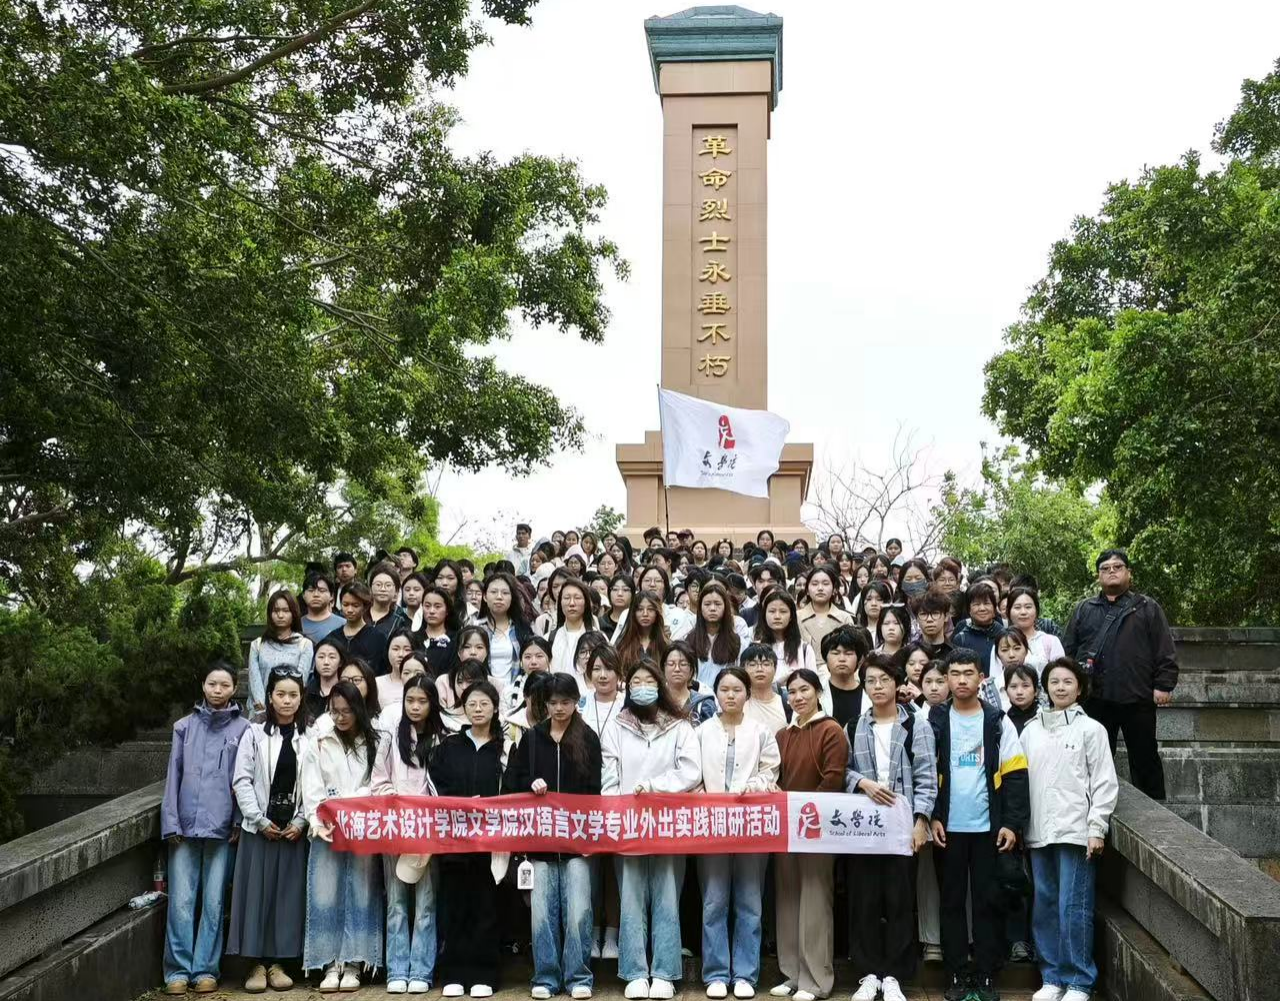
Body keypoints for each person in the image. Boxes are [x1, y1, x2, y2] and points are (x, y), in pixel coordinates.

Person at [929, 649, 1030, 1001]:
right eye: (954, 674)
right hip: (947, 829)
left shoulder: (997, 721)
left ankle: (987, 973)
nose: (961, 680)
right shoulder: (936, 720)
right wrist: (933, 816)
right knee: (951, 903)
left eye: (968, 673)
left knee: (989, 902)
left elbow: (1016, 774)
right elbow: (926, 772)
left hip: (990, 828)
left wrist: (1011, 824)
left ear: (981, 678)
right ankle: (957, 974)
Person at [601, 661, 702, 1000]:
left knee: (667, 897)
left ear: (659, 685)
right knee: (630, 899)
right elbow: (609, 775)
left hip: (668, 825)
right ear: (628, 688)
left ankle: (664, 973)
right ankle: (634, 972)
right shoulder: (616, 726)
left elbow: (691, 771)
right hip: (628, 826)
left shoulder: (680, 726)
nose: (642, 686)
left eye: (648, 680)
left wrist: (656, 787)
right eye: (636, 682)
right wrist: (616, 812)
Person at [1023, 659, 1119, 1001]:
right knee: (1045, 905)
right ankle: (1052, 977)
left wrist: (1097, 827)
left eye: (1067, 681)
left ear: (1080, 688)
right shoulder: (1030, 730)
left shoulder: (1092, 730)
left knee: (1073, 906)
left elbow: (1105, 782)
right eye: (1054, 681)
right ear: (1045, 688)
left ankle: (1079, 980)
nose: (1060, 687)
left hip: (1076, 830)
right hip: (1038, 831)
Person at [504, 673, 604, 1001]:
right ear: (544, 704)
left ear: (576, 702)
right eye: (553, 702)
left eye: (566, 702)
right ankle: (545, 976)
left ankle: (579, 976)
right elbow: (512, 782)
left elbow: (595, 791)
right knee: (542, 914)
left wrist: (590, 837)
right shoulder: (532, 739)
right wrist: (530, 784)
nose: (559, 708)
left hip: (577, 841)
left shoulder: (588, 738)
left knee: (579, 912)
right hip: (540, 841)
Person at [844, 654, 936, 1001]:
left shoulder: (916, 725)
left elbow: (927, 776)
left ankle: (895, 975)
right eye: (870, 681)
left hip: (902, 826)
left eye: (884, 680)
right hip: (864, 827)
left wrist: (921, 821)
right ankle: (868, 974)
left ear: (897, 683)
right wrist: (862, 783)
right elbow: (842, 770)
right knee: (864, 899)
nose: (878, 686)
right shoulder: (854, 726)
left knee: (899, 900)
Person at [160, 661, 250, 996]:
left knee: (213, 902)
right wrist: (170, 821)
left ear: (234, 688)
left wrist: (238, 819)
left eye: (224, 685)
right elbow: (173, 776)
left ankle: (206, 969)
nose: (217, 690)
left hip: (222, 826)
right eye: (212, 684)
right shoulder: (184, 727)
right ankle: (177, 971)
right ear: (203, 685)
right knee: (181, 902)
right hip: (184, 826)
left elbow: (244, 779)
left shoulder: (244, 729)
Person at [1063, 549, 1178, 801]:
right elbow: (1068, 650)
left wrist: (1164, 684)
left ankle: (1155, 811)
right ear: (1098, 576)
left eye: (1117, 567)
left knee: (1145, 757)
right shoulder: (1084, 609)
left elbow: (1164, 648)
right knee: (1092, 757)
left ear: (1129, 573)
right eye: (1105, 568)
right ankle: (1089, 805)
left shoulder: (1147, 608)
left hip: (1138, 696)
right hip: (1095, 697)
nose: (1111, 571)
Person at [697, 666, 781, 999]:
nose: (730, 695)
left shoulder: (761, 731)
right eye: (724, 690)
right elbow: (692, 773)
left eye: (737, 690)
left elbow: (771, 769)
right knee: (714, 901)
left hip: (751, 826)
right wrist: (702, 795)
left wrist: (755, 785)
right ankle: (716, 973)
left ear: (747, 694)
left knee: (749, 901)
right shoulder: (702, 731)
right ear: (716, 693)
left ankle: (745, 973)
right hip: (712, 826)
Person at [228, 668, 309, 994]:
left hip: (293, 831)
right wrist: (259, 819)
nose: (287, 701)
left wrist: (302, 820)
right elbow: (241, 780)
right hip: (259, 829)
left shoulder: (310, 735)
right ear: (270, 697)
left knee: (287, 896)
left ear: (301, 698)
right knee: (256, 896)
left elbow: (315, 783)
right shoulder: (254, 733)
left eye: (293, 695)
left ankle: (279, 963)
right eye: (281, 694)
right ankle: (256, 964)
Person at [300, 682, 384, 992]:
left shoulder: (374, 741)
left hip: (362, 828)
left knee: (361, 893)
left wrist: (350, 804)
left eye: (347, 711)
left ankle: (354, 963)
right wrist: (317, 819)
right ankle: (329, 962)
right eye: (335, 711)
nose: (341, 717)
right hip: (327, 829)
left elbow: (376, 783)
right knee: (325, 894)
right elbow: (311, 787)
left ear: (358, 709)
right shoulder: (319, 741)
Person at [771, 668, 847, 1001]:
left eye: (804, 690)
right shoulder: (782, 735)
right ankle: (792, 974)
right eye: (792, 692)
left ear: (818, 692)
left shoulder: (831, 730)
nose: (798, 697)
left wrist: (803, 814)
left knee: (815, 901)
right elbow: (775, 776)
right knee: (788, 898)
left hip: (817, 829)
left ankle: (816, 980)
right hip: (785, 829)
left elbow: (833, 778)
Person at [429, 681, 509, 999]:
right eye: (472, 704)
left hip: (491, 841)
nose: (477, 709)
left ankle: (484, 974)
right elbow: (436, 784)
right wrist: (461, 803)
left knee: (485, 906)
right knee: (455, 906)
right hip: (455, 839)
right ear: (464, 708)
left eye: (484, 704)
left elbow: (512, 787)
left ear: (495, 708)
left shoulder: (505, 748)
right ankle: (454, 973)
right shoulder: (449, 746)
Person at [373, 676, 446, 994]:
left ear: (432, 704)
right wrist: (395, 801)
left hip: (428, 830)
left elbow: (444, 787)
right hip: (396, 827)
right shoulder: (391, 736)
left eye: (422, 701)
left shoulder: (443, 739)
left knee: (427, 902)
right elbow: (378, 780)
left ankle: (421, 971)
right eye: (410, 700)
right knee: (396, 902)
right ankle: (397, 970)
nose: (415, 707)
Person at [248, 590, 314, 717]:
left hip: (290, 709)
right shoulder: (258, 645)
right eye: (276, 611)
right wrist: (263, 708)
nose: (280, 615)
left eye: (286, 610)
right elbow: (254, 680)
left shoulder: (304, 644)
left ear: (294, 613)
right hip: (260, 712)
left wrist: (284, 703)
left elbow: (301, 681)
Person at [480, 572, 534, 694]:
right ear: (485, 596)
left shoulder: (522, 629)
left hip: (516, 692)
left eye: (505, 593)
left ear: (512, 598)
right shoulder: (476, 629)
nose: (499, 597)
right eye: (493, 592)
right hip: (483, 693)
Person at [690, 581, 748, 689]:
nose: (712, 608)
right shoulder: (689, 641)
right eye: (707, 604)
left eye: (717, 604)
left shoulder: (738, 643)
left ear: (725, 607)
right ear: (700, 608)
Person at [324, 581, 390, 677]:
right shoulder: (333, 638)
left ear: (365, 606)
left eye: (355, 605)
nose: (350, 610)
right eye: (345, 604)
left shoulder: (378, 638)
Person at [755, 590, 818, 684]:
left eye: (783, 611)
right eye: (772, 611)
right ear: (764, 615)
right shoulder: (755, 649)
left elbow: (813, 684)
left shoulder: (804, 649)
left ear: (791, 616)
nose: (777, 616)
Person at [797, 566, 854, 664]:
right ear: (807, 590)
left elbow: (850, 652)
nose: (820, 588)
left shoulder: (844, 618)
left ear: (834, 589)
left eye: (825, 584)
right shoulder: (796, 617)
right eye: (815, 584)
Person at [1005, 587, 1066, 671]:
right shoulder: (1002, 643)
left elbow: (1060, 673)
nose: (1023, 612)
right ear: (1009, 611)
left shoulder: (1051, 642)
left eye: (1028, 607)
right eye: (1017, 607)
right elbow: (996, 676)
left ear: (1036, 610)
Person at [550, 577, 597, 681]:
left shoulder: (598, 637)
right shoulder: (550, 638)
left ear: (586, 603)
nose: (572, 603)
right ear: (560, 603)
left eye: (577, 598)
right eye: (566, 598)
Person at [822, 626, 868, 728]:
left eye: (848, 653)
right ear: (826, 659)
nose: (842, 659)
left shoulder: (869, 696)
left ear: (859, 659)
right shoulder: (817, 695)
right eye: (835, 653)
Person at [662, 640, 717, 725]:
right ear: (663, 668)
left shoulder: (703, 705)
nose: (677, 669)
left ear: (691, 670)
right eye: (671, 664)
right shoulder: (655, 702)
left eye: (683, 664)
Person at [951, 583, 1005, 669]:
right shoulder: (961, 639)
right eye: (976, 604)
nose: (982, 608)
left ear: (994, 607)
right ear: (969, 610)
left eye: (986, 603)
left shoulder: (1004, 634)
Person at [615, 591, 671, 671]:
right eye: (640, 609)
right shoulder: (622, 643)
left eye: (650, 609)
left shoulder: (666, 644)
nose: (645, 614)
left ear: (657, 613)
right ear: (633, 613)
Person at [741, 644, 788, 733]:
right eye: (752, 664)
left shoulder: (787, 702)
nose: (759, 669)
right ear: (743, 669)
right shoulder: (737, 701)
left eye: (766, 664)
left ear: (775, 668)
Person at [305, 636, 345, 722]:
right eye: (321, 657)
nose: (326, 662)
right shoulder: (306, 692)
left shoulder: (346, 692)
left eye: (332, 657)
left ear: (340, 662)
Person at [376, 629, 418, 710]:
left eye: (407, 650)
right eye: (395, 649)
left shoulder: (421, 682)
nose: (401, 654)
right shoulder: (377, 683)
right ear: (387, 651)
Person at [301, 575, 346, 644]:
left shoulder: (343, 624)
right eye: (311, 590)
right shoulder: (296, 625)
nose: (316, 595)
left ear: (331, 596)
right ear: (303, 595)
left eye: (321, 591)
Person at [369, 563, 410, 636]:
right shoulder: (359, 615)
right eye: (378, 585)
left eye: (388, 585)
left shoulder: (400, 622)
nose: (383, 589)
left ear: (396, 592)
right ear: (370, 589)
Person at [916, 589, 954, 658]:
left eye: (935, 613)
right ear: (917, 618)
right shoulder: (907, 654)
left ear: (946, 616)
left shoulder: (955, 654)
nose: (929, 619)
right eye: (923, 614)